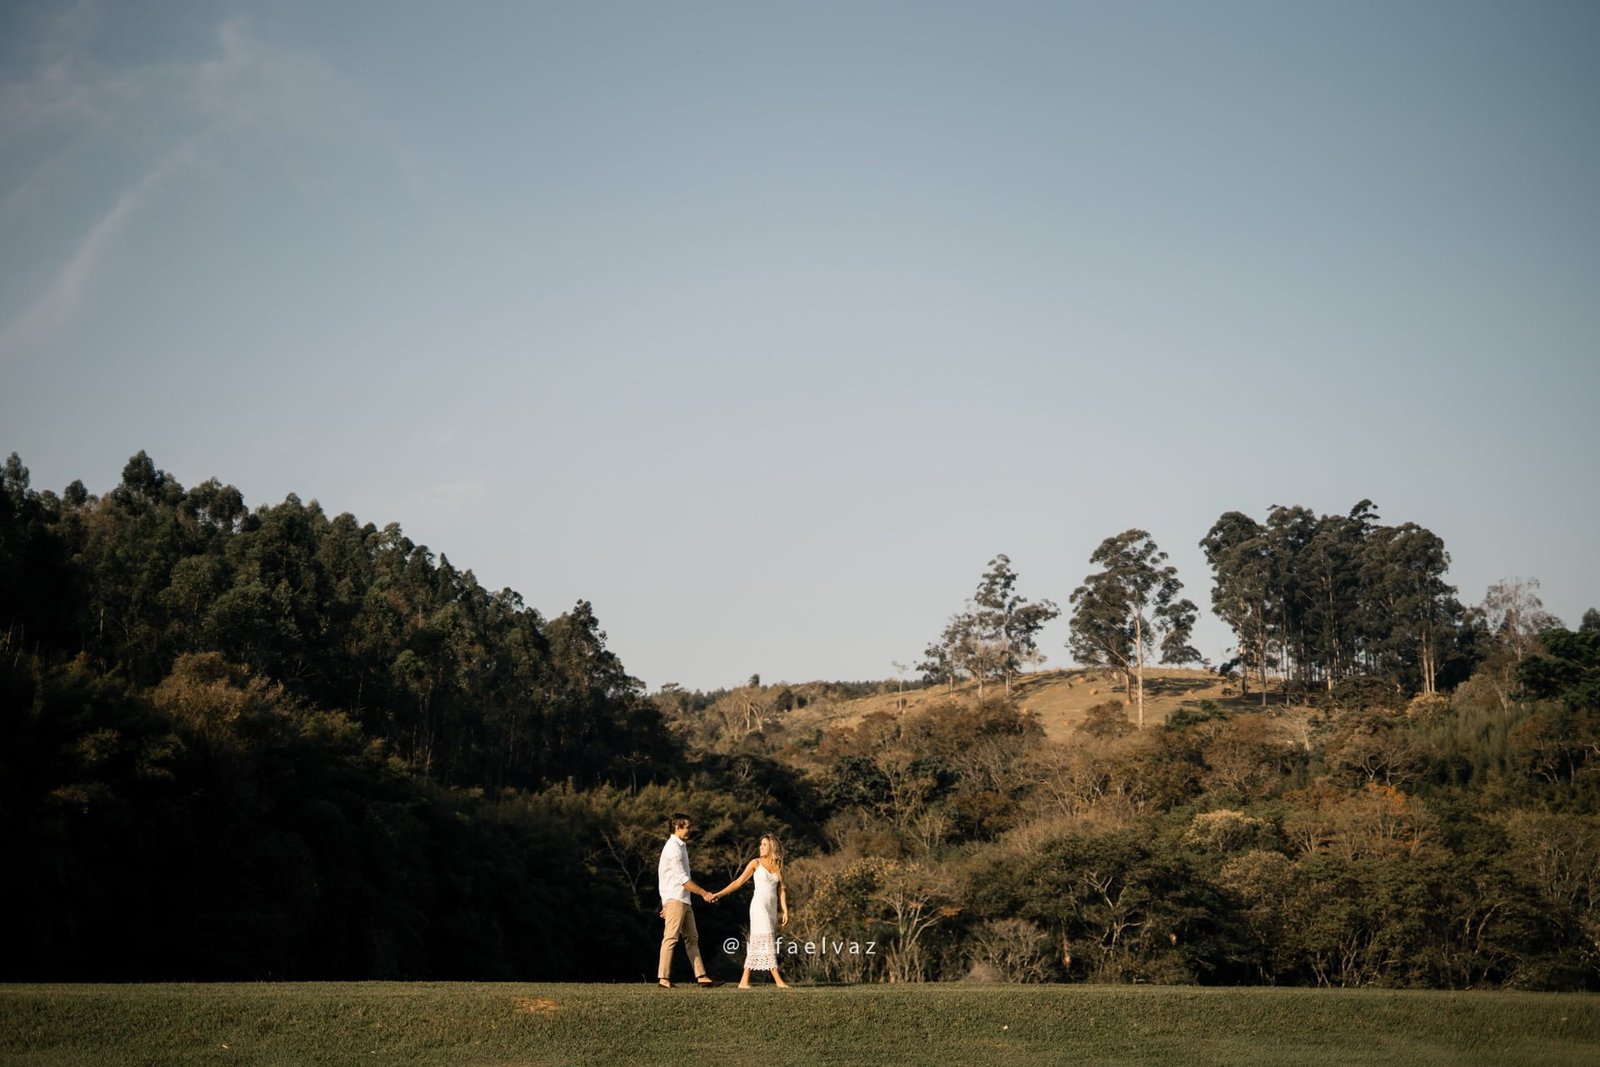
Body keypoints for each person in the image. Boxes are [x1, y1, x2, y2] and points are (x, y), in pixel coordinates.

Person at [710, 833, 790, 989]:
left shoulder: (778, 864)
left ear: (772, 846)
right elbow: (738, 882)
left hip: (771, 908)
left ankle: (743, 981)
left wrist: (785, 910)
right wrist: (718, 894)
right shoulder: (755, 863)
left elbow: (782, 890)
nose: (760, 847)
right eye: (760, 844)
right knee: (766, 941)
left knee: (758, 943)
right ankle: (779, 981)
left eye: (764, 844)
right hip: (759, 906)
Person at [657, 812, 722, 988]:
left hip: (683, 900)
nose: (690, 829)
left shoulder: (681, 846)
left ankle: (701, 977)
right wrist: (704, 893)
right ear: (677, 828)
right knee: (670, 938)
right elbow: (683, 880)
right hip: (677, 899)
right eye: (687, 827)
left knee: (692, 938)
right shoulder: (673, 849)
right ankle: (663, 979)